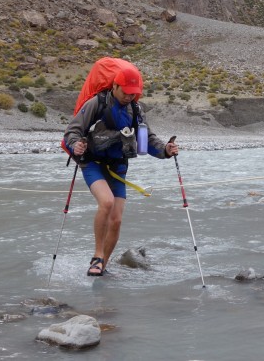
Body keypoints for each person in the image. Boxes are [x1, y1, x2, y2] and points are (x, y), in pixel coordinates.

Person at [63, 63, 178, 276]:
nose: (129, 97)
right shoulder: (95, 104)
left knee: (116, 219)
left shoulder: (135, 109)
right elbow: (72, 131)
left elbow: (148, 139)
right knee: (106, 202)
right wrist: (75, 144)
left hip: (119, 167)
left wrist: (166, 150)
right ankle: (97, 256)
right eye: (125, 92)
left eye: (133, 94)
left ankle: (102, 266)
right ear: (115, 86)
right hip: (93, 164)